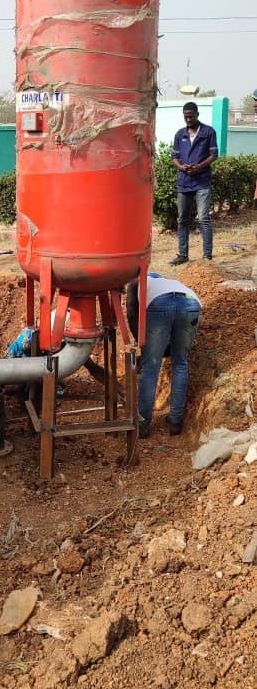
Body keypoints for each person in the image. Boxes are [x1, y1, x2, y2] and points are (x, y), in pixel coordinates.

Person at [127, 272, 202, 438]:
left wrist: (144, 347)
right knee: (181, 362)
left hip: (159, 304)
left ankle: (143, 425)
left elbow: (132, 315)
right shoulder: (170, 281)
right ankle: (175, 421)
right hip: (191, 302)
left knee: (151, 367)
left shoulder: (135, 283)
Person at [170, 101, 218, 265]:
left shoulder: (208, 132)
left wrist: (199, 167)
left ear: (197, 114)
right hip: (184, 182)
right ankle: (183, 255)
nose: (188, 119)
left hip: (202, 181)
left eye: (191, 116)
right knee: (182, 219)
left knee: (204, 218)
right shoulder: (179, 134)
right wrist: (182, 167)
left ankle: (207, 256)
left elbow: (214, 155)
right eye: (186, 117)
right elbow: (174, 157)